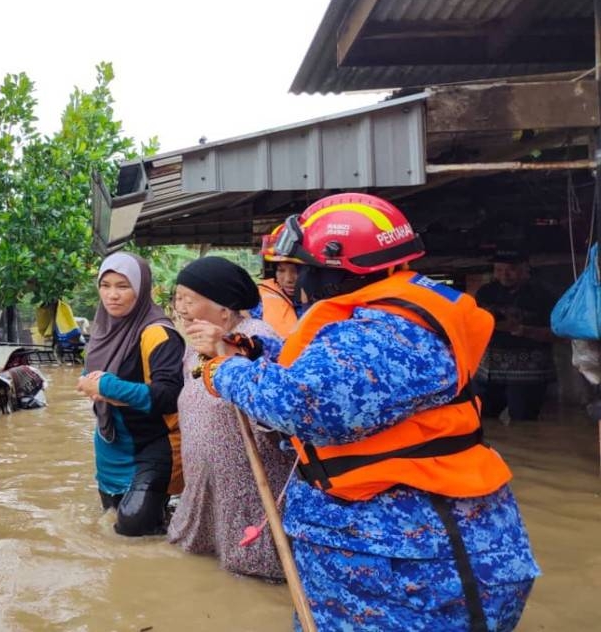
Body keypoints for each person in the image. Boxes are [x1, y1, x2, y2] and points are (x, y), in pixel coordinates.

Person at [190, 193, 539, 631]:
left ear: (339, 269)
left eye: (306, 269)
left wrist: (225, 372)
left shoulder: (389, 331)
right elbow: (340, 375)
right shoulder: (386, 319)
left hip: (411, 561)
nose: (299, 280)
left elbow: (304, 403)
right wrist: (257, 350)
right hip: (399, 550)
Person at [166, 255, 295, 580]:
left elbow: (270, 381)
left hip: (250, 484)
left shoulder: (255, 336)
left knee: (251, 572)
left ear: (223, 308)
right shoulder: (195, 344)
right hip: (208, 480)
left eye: (189, 299)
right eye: (178, 297)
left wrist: (226, 349)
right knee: (202, 570)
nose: (180, 307)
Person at [77, 251, 186, 536]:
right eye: (106, 285)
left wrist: (106, 387)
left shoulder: (159, 334)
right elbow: (90, 377)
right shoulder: (102, 330)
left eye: (123, 286)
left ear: (141, 288)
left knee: (133, 526)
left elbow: (170, 396)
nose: (112, 295)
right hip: (110, 444)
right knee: (110, 519)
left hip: (153, 444)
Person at [475, 249, 557, 422]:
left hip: (528, 372)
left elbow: (559, 333)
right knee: (483, 419)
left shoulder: (544, 294)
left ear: (526, 269)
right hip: (488, 370)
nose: (504, 274)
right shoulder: (486, 292)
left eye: (511, 269)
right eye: (498, 269)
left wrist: (521, 330)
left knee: (523, 422)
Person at [248, 224, 303, 337]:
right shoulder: (258, 302)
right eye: (281, 270)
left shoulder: (328, 305)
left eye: (296, 271)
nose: (288, 279)